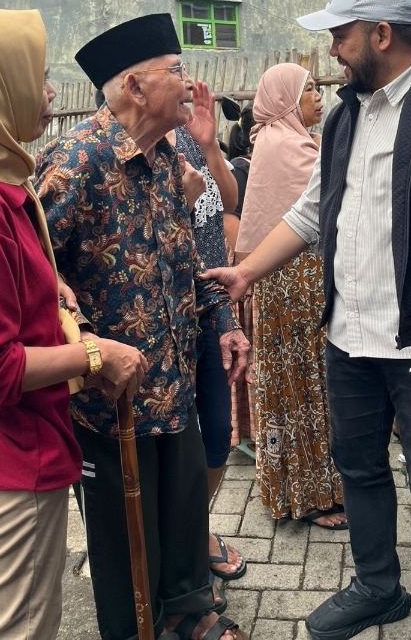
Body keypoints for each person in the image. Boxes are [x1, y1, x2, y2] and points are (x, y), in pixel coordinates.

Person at [203, 0, 411, 640]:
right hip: (348, 333)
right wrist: (247, 271)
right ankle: (379, 586)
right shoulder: (349, 112)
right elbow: (313, 210)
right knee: (358, 465)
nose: (333, 51)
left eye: (340, 36)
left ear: (380, 34)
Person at [0, 7, 145, 640]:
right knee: (16, 626)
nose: (50, 93)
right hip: (8, 454)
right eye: (38, 76)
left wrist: (47, 286)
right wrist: (96, 355)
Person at [34, 13, 250, 640]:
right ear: (134, 86)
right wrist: (85, 344)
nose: (190, 84)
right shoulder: (75, 162)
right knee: (123, 537)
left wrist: (223, 322)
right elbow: (35, 275)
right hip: (111, 400)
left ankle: (189, 612)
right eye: (177, 71)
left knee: (182, 512)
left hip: (173, 381)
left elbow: (186, 258)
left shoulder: (171, 155)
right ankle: (138, 628)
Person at [235, 63, 346, 530]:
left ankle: (304, 488)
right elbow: (324, 208)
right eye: (309, 90)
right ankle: (309, 495)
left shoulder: (286, 141)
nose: (319, 97)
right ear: (285, 99)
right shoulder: (287, 146)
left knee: (302, 386)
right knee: (303, 388)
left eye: (319, 89)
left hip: (291, 280)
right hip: (294, 282)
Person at [169, 89, 246, 585]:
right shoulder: (119, 155)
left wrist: (210, 145)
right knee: (173, 446)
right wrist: (183, 197)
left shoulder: (187, 141)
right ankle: (178, 545)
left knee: (218, 434)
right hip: (161, 324)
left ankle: (196, 530)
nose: (184, 86)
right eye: (173, 72)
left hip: (211, 309)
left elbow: (230, 204)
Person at [225, 104, 257, 455]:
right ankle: (249, 434)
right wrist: (250, 268)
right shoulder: (241, 169)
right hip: (249, 273)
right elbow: (230, 219)